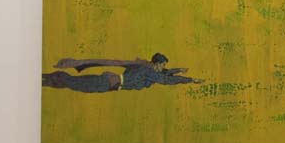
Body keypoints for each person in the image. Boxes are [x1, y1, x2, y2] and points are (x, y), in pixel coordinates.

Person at [42, 53, 200, 93]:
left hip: (107, 83)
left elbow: (166, 73)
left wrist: (179, 70)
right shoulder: (149, 71)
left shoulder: (147, 67)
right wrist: (189, 80)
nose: (164, 67)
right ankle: (44, 79)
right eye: (163, 65)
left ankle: (46, 80)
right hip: (105, 83)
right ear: (157, 64)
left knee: (71, 83)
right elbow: (167, 80)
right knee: (71, 82)